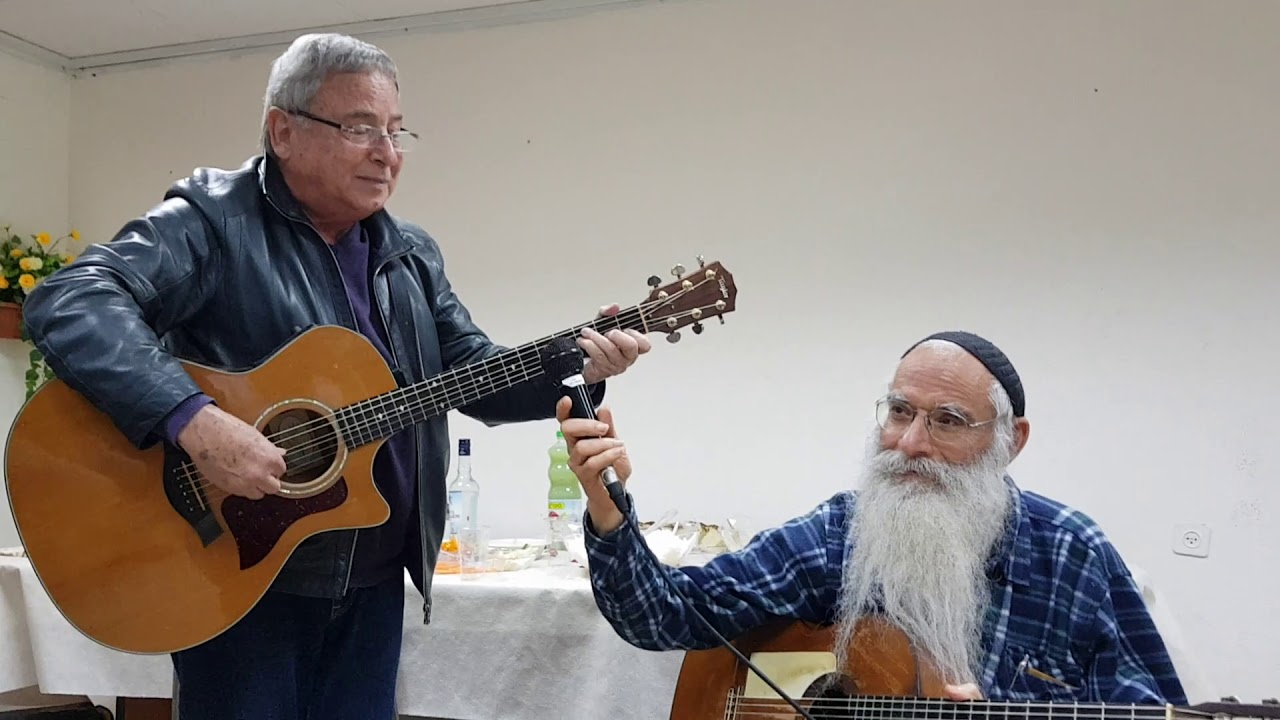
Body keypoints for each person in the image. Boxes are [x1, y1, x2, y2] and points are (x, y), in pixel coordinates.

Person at [22, 32, 651, 720]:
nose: (387, 152)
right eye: (360, 128)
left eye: (395, 130)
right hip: (235, 579)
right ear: (282, 131)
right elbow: (71, 298)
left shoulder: (408, 254)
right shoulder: (213, 222)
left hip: (373, 586)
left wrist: (577, 365)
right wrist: (195, 423)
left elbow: (473, 372)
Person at [558, 330, 1187, 704]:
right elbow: (667, 615)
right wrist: (608, 511)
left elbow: (1153, 709)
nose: (910, 443)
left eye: (946, 421)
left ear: (1011, 441)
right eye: (898, 412)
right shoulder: (845, 534)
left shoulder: (1071, 552)